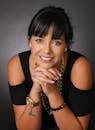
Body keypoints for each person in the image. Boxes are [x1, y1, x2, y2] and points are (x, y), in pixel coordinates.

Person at [7, 6, 94, 130]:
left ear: (66, 45)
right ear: (29, 42)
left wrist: (52, 92)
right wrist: (36, 89)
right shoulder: (16, 64)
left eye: (56, 42)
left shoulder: (80, 66)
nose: (47, 50)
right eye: (39, 40)